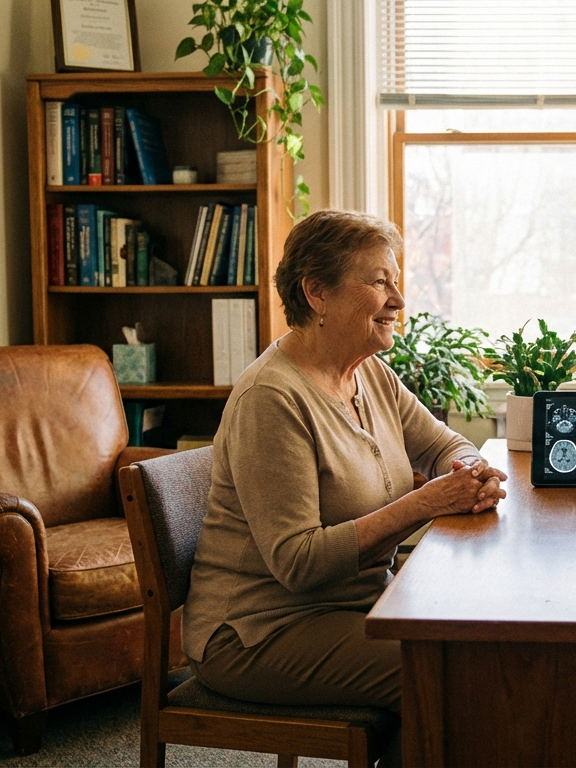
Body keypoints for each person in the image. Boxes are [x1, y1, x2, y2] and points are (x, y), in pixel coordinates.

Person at [184, 210, 506, 748]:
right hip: (260, 629)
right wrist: (424, 503)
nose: (398, 302)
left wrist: (470, 471)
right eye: (380, 282)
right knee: (447, 672)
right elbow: (298, 562)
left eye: (396, 282)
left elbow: (444, 443)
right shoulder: (273, 399)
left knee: (477, 641)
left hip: (354, 605)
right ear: (317, 293)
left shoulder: (370, 373)